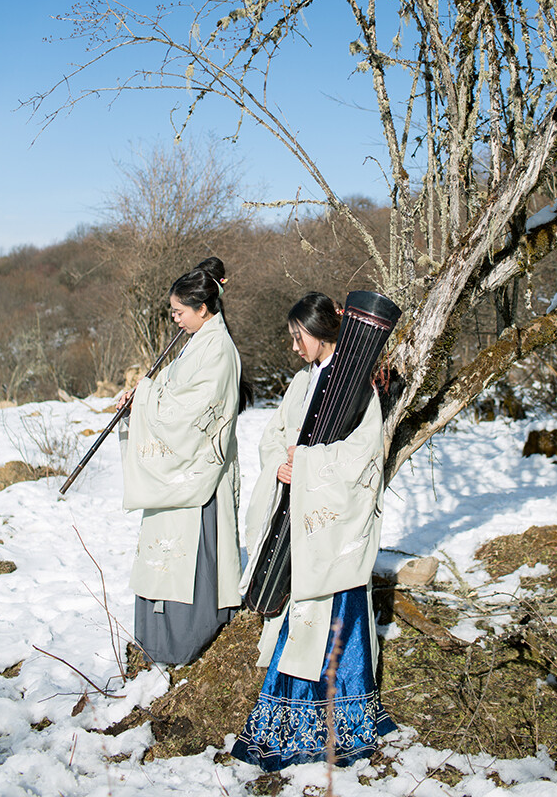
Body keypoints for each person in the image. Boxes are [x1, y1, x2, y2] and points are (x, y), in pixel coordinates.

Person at [232, 292, 396, 770]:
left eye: (297, 336)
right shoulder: (301, 381)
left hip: (329, 533)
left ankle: (336, 720)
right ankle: (298, 716)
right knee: (301, 619)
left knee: (327, 616)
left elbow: (363, 456)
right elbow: (276, 434)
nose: (294, 346)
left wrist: (302, 465)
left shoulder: (357, 388)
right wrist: (284, 459)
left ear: (320, 331)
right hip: (298, 520)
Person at [118, 257, 252, 666]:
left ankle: (187, 640)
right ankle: (159, 641)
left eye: (178, 312)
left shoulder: (218, 350)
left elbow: (193, 413)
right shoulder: (198, 343)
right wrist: (140, 399)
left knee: (192, 556)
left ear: (202, 309)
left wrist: (145, 400)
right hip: (181, 473)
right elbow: (172, 390)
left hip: (199, 477)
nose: (174, 319)